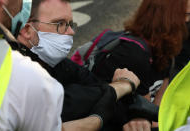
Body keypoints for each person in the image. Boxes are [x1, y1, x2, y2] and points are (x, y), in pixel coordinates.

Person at [0, 0, 141, 130]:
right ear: (27, 31)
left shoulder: (59, 64)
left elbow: (97, 91)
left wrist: (138, 115)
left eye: (70, 24)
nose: (71, 32)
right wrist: (120, 87)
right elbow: (68, 104)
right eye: (61, 24)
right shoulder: (23, 72)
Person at [70, 0, 189, 130]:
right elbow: (146, 113)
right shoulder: (134, 54)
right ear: (167, 18)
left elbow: (157, 111)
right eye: (187, 15)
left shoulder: (167, 50)